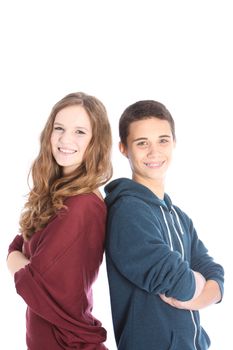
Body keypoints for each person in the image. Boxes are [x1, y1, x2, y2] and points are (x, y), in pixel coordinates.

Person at [104, 100, 224, 350]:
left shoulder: (179, 217)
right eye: (142, 143)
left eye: (162, 140)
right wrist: (199, 286)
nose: (154, 152)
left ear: (174, 143)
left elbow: (216, 276)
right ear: (124, 148)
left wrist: (197, 298)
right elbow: (179, 282)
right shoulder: (127, 212)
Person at [7, 92, 112, 350]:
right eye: (59, 128)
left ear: (95, 142)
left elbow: (33, 281)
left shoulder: (82, 205)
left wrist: (15, 259)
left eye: (79, 132)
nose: (65, 139)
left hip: (67, 344)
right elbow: (18, 245)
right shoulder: (57, 195)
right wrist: (16, 257)